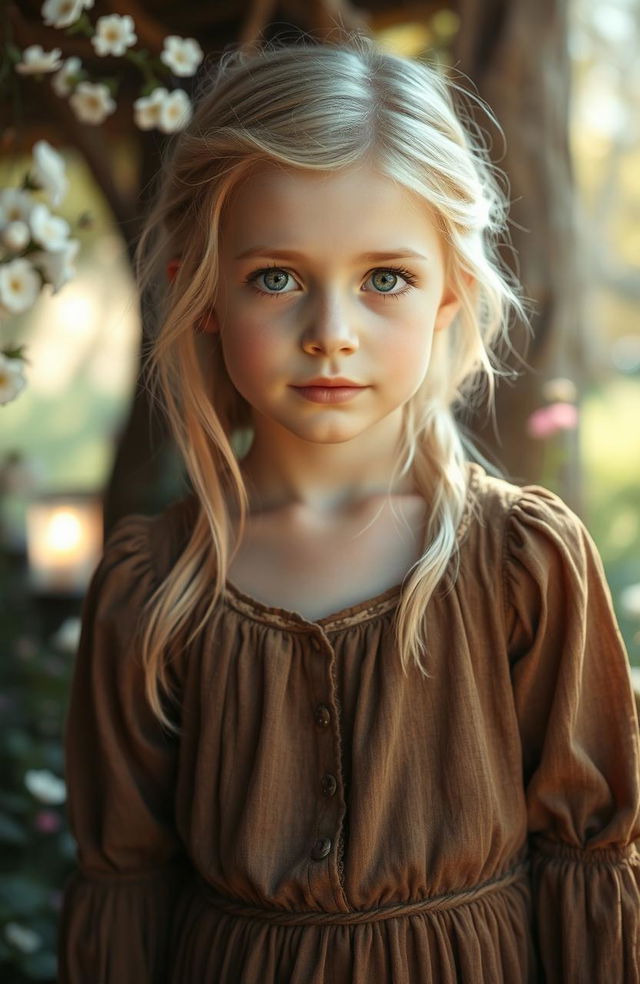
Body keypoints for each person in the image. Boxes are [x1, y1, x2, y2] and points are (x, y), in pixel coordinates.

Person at [57, 37, 640, 983]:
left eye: (385, 279)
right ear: (200, 293)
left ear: (451, 292)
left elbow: (590, 864)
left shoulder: (522, 563)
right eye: (276, 278)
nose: (331, 334)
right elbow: (123, 887)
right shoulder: (152, 587)